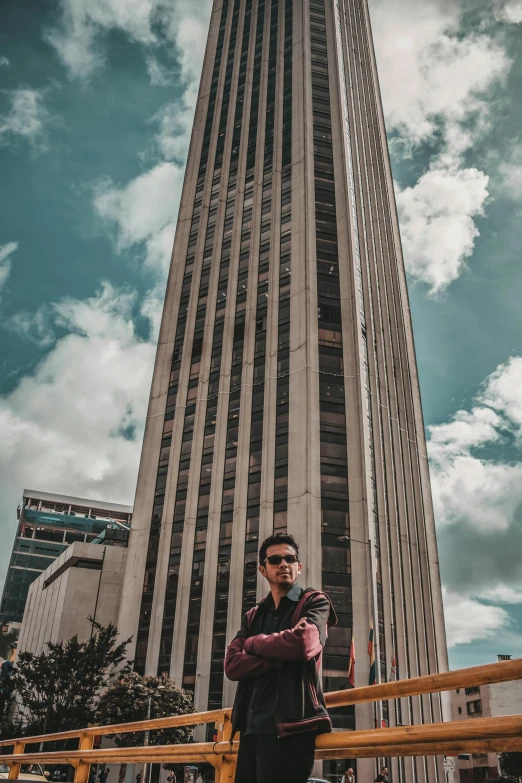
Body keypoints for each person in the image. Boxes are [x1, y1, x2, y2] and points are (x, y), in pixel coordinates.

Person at [225, 532, 337, 783]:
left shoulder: (315, 602)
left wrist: (252, 644)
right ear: (263, 570)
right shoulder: (253, 616)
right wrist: (278, 656)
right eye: (275, 560)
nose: (283, 564)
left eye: (290, 558)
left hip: (290, 731)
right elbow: (232, 665)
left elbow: (302, 644)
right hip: (250, 731)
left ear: (299, 566)